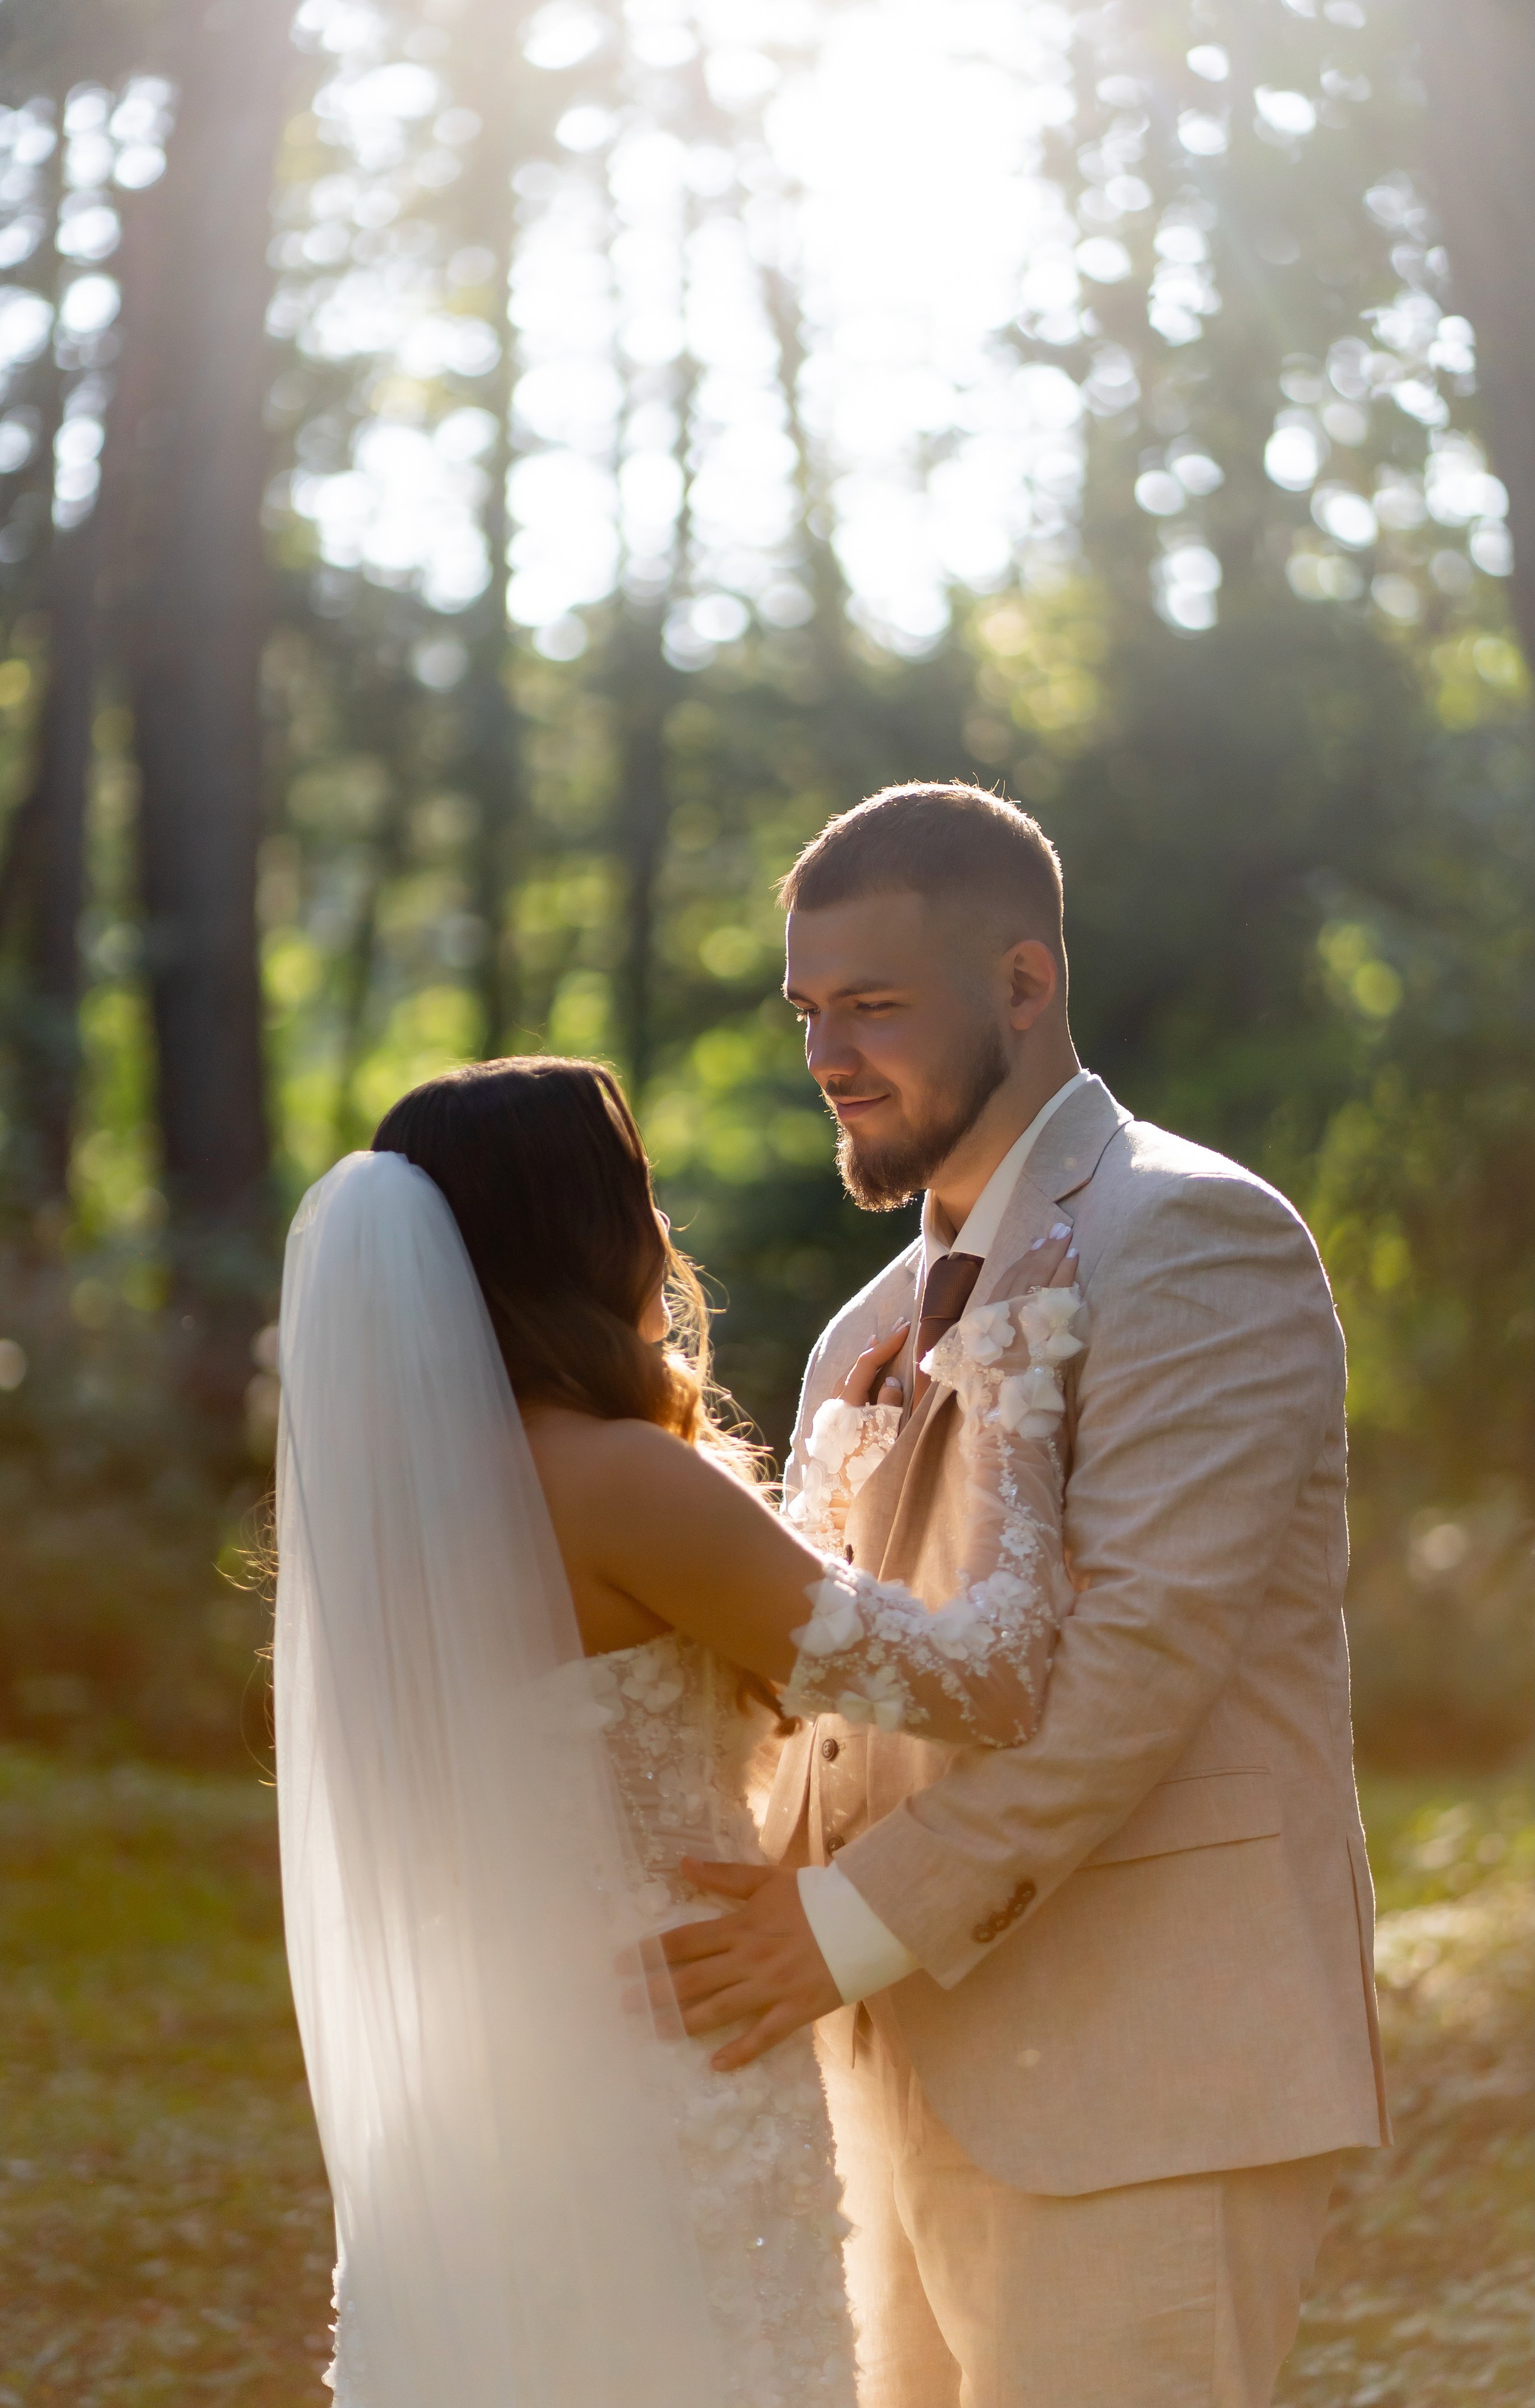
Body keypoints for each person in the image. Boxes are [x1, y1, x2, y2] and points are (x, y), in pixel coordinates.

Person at [661, 782, 1389, 2408]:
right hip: (878, 2073)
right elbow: (847, 1683)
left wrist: (838, 1933)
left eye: (875, 1004)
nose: (829, 1053)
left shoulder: (1195, 1238)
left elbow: (1136, 1670)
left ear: (1024, 984)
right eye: (807, 1011)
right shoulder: (868, 1320)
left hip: (1140, 2082)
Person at [272, 1053, 1082, 2407]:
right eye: (636, 1190)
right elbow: (988, 1680)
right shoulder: (616, 1478)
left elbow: (715, 1633)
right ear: (587, 1230)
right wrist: (1013, 1401)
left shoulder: (397, 1526)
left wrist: (835, 1458)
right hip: (669, 2081)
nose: (660, 1229)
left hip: (490, 2099)